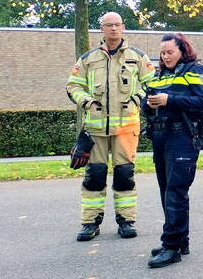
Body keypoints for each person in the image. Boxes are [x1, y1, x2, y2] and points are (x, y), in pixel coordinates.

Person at [66, 12, 156, 241]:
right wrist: (86, 100)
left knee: (124, 175)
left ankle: (126, 221)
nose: (113, 29)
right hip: (96, 130)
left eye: (117, 24)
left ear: (123, 27)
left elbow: (153, 83)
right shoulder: (88, 59)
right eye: (109, 25)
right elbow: (73, 86)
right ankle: (89, 223)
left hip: (126, 129)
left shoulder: (138, 57)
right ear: (101, 29)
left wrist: (137, 99)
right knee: (94, 175)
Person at [142, 33, 203, 268]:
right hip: (160, 136)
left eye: (169, 52)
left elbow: (202, 102)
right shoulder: (159, 74)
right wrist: (149, 103)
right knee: (166, 190)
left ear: (182, 50)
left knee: (175, 191)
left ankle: (171, 247)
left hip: (182, 136)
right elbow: (148, 101)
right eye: (162, 53)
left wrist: (169, 99)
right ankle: (179, 240)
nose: (165, 56)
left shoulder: (197, 71)